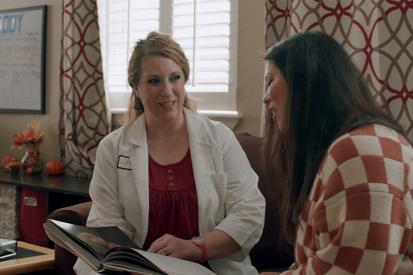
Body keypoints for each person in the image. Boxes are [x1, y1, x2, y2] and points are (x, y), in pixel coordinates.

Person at [74, 31, 265, 275]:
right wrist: (126, 261)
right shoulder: (112, 148)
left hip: (210, 268)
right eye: (154, 81)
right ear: (136, 88)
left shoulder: (219, 138)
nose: (167, 91)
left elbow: (249, 212)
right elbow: (106, 222)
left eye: (174, 78)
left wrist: (195, 248)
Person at [261, 31, 413, 274]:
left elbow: (358, 268)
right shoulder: (348, 146)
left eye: (271, 81)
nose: (266, 98)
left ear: (304, 82)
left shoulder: (361, 151)